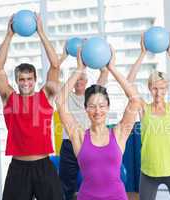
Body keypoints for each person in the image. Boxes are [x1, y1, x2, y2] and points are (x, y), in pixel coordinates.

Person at [56, 47, 141, 200]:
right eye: (92, 106)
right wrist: (79, 69)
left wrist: (112, 68)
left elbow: (134, 99)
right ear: (86, 109)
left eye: (102, 106)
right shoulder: (79, 136)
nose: (97, 111)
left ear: (108, 107)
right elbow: (59, 101)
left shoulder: (119, 133)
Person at [0, 15, 63, 200]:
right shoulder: (9, 98)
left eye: (29, 79)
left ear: (34, 80)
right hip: (18, 169)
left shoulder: (45, 96)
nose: (26, 83)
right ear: (16, 80)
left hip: (43, 166)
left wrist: (41, 32)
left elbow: (55, 65)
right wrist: (9, 35)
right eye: (22, 79)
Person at [127, 34, 170, 200]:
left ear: (167, 89)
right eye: (155, 88)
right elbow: (129, 82)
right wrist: (142, 54)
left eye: (162, 89)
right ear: (149, 88)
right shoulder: (143, 108)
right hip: (149, 170)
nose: (158, 93)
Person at [58, 45, 109, 200]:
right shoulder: (66, 96)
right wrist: (68, 58)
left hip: (89, 142)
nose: (79, 81)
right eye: (77, 78)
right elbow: (54, 71)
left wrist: (91, 51)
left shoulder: (92, 96)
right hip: (69, 144)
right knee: (66, 184)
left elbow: (105, 72)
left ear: (87, 81)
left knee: (97, 181)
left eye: (82, 79)